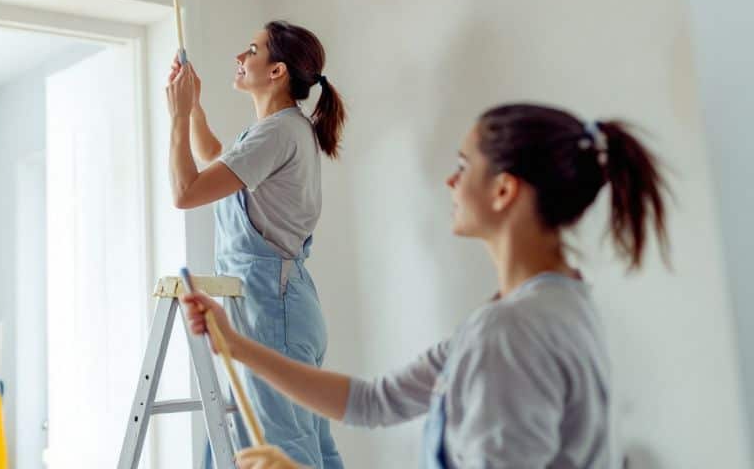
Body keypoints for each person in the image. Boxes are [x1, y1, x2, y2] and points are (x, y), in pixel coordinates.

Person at [181, 103, 669, 468]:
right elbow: (375, 401)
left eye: (463, 166)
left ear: (503, 190)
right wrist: (238, 347)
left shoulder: (508, 331)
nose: (449, 182)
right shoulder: (563, 304)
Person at [166, 21, 347, 468]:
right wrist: (193, 109)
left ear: (277, 71)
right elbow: (213, 157)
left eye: (252, 49)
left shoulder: (278, 133)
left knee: (281, 454)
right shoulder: (277, 130)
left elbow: (186, 192)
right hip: (281, 306)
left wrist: (177, 117)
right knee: (305, 446)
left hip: (273, 311)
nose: (240, 57)